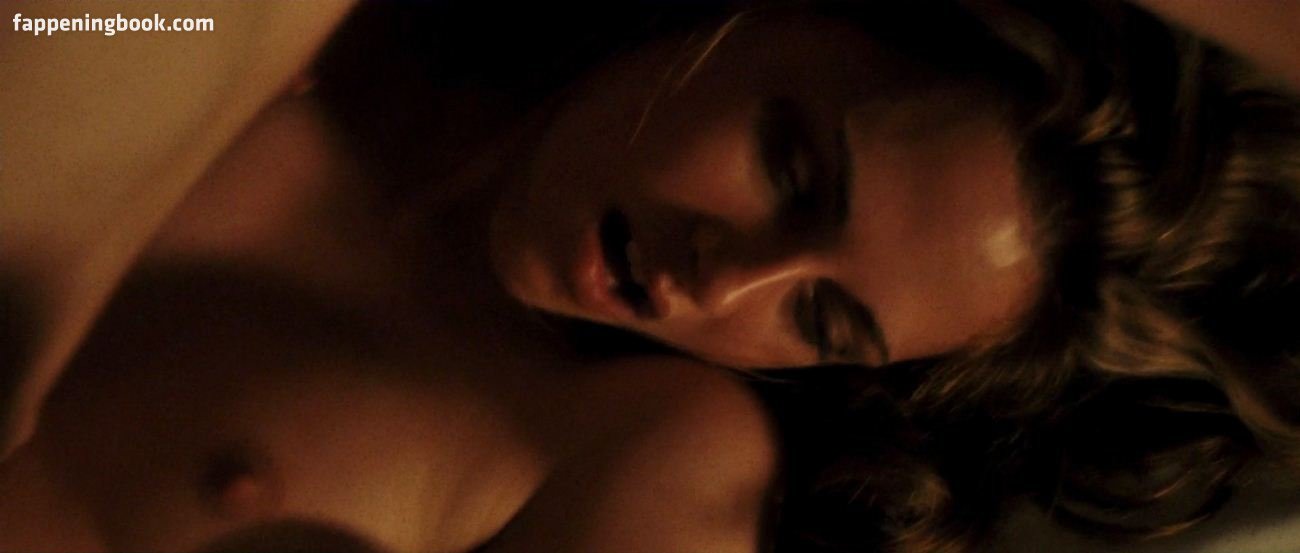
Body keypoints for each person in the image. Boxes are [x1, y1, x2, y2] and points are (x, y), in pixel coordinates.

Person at [0, 1, 1296, 552]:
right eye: (794, 168)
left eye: (822, 316)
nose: (721, 282)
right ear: (772, 12)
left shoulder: (645, 445)